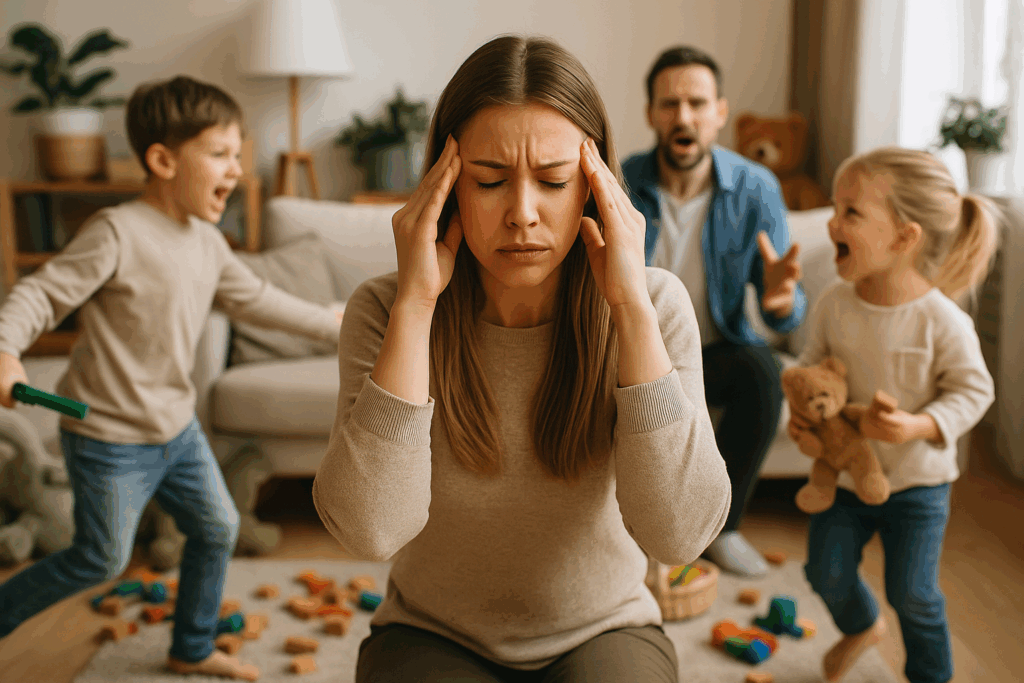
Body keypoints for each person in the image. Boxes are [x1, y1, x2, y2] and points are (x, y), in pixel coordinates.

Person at [312, 35, 731, 682]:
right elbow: (371, 531)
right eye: (489, 181)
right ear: (446, 185)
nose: (523, 215)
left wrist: (629, 308)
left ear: (593, 187)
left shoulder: (655, 305)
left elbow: (680, 535)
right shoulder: (384, 310)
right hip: (431, 629)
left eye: (555, 181)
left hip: (605, 625)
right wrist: (416, 307)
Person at [0, 75, 346, 681]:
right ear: (162, 161)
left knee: (218, 528)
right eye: (220, 153)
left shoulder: (208, 244)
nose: (236, 169)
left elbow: (258, 300)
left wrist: (334, 324)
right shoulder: (116, 232)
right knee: (101, 559)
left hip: (177, 431)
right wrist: (5, 348)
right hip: (108, 438)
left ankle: (191, 645)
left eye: (238, 154)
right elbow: (41, 294)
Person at [789, 147, 996, 683]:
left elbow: (974, 390)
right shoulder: (834, 302)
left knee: (914, 595)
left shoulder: (941, 320)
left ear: (905, 238)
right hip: (845, 477)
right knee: (824, 572)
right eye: (836, 207)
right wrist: (803, 416)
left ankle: (931, 676)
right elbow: (810, 369)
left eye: (851, 212)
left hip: (918, 486)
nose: (832, 222)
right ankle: (862, 625)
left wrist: (919, 425)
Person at [621, 46, 807, 576]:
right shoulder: (620, 181)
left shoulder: (756, 188)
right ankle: (625, 532)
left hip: (715, 352)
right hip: (633, 353)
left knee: (763, 372)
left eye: (697, 103)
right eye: (670, 104)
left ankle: (722, 528)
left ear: (720, 112)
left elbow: (784, 306)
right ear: (651, 113)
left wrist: (780, 301)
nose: (684, 116)